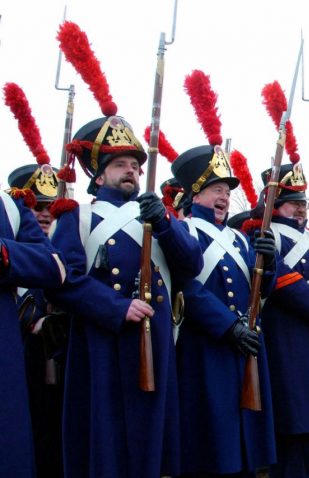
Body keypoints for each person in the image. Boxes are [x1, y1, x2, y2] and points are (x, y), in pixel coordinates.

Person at [46, 114, 203, 478]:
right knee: (108, 438)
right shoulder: (79, 218)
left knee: (154, 436)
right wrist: (116, 308)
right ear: (98, 175)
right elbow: (62, 281)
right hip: (102, 340)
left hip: (157, 338)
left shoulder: (158, 215)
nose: (131, 171)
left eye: (134, 165)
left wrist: (164, 224)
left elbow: (191, 264)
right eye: (120, 165)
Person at [171, 143, 278, 477]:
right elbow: (185, 287)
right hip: (206, 344)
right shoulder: (183, 231)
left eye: (227, 191)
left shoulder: (239, 238)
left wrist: (269, 263)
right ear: (195, 193)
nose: (224, 196)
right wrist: (228, 326)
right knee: (212, 433)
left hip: (243, 343)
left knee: (244, 428)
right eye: (216, 189)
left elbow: (258, 293)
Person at [255, 162, 309, 478]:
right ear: (275, 205)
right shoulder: (263, 234)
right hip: (286, 337)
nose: (301, 210)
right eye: (294, 204)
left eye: (304, 204)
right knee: (292, 422)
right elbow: (275, 277)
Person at [0, 183, 66, 477]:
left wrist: (4, 253)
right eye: (38, 207)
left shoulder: (11, 207)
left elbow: (54, 266)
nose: (44, 214)